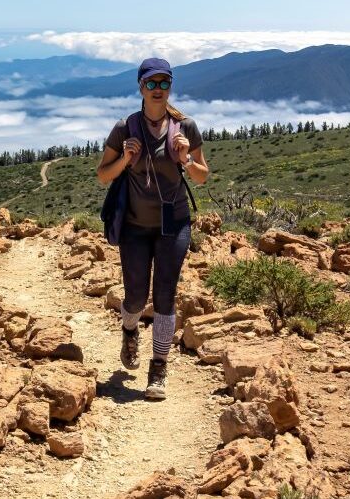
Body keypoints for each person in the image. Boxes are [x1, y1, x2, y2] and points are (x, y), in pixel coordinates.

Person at [95, 57, 209, 400]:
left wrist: (185, 159)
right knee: (134, 297)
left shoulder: (185, 127)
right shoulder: (125, 128)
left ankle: (158, 367)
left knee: (164, 295)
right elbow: (103, 175)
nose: (157, 90)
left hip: (173, 224)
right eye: (151, 83)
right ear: (140, 87)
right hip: (133, 225)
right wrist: (126, 159)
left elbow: (202, 177)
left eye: (163, 83)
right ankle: (129, 329)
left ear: (170, 86)